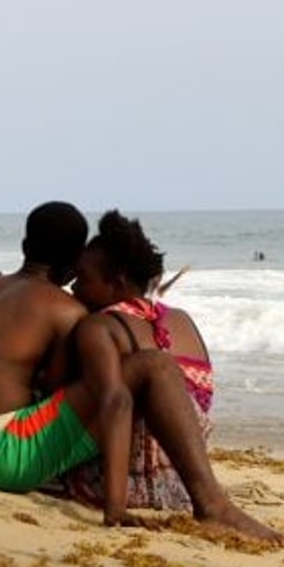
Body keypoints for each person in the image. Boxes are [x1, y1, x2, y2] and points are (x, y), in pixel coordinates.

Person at [0, 201, 284, 545]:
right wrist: (115, 511)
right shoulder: (66, 311)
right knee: (152, 368)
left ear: (24, 246)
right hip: (9, 462)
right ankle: (213, 504)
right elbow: (105, 399)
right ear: (71, 263)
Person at [63, 211, 214, 511]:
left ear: (117, 283)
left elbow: (109, 405)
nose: (74, 287)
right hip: (183, 485)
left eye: (84, 278)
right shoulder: (183, 319)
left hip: (124, 480)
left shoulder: (100, 327)